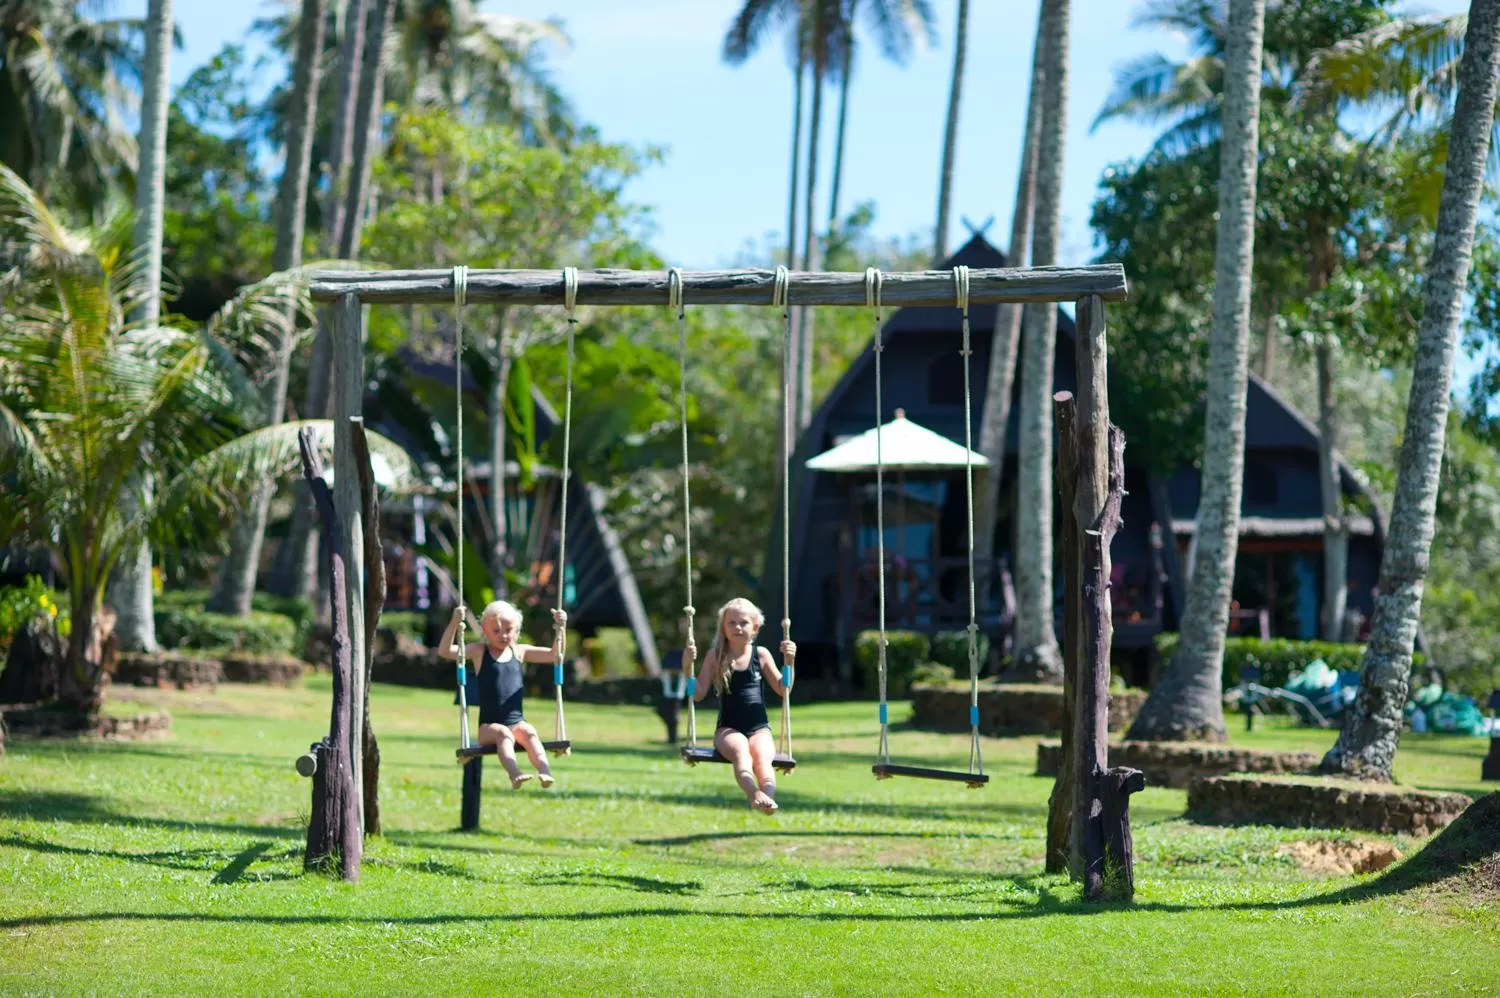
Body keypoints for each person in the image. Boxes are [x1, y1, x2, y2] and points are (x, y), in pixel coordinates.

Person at [438, 600, 562, 790]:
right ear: (485, 631)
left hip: (517, 722)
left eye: (508, 630)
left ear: (516, 630)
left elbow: (555, 655)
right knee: (503, 733)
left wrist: (561, 628)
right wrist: (455, 622)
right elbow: (445, 651)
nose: (503, 635)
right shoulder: (480, 652)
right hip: (488, 728)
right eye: (496, 631)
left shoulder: (520, 651)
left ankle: (545, 772)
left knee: (529, 732)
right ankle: (515, 773)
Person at [688, 597, 794, 814]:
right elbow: (697, 694)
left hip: (759, 728)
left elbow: (784, 689)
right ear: (723, 627)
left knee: (762, 757)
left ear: (755, 627)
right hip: (728, 730)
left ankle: (768, 797)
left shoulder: (761, 655)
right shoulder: (716, 656)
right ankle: (754, 794)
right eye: (732, 623)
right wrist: (686, 668)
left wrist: (789, 662)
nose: (737, 627)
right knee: (741, 752)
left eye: (743, 622)